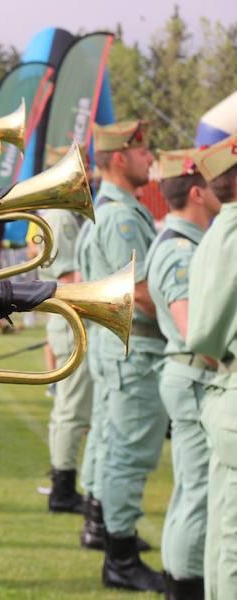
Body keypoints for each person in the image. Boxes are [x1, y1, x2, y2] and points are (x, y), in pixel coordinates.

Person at [79, 120, 165, 592]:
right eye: (143, 151)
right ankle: (120, 554)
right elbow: (139, 291)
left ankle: (106, 531)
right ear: (119, 158)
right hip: (132, 349)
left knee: (117, 446)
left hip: (122, 348)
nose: (150, 158)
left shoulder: (117, 210)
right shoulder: (122, 217)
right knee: (129, 454)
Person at [147, 147, 223, 599]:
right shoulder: (180, 249)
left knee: (191, 490)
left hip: (188, 376)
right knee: (199, 492)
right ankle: (184, 585)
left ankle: (180, 577)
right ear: (197, 193)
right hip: (195, 377)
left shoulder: (186, 242)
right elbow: (192, 327)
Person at [187, 134, 237, 600]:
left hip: (227, 394)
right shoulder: (233, 233)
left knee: (226, 539)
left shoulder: (219, 231)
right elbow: (202, 333)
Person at [37, 202, 92, 514]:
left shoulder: (65, 216)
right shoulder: (61, 217)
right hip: (73, 322)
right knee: (73, 410)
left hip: (70, 321)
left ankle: (63, 481)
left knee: (69, 408)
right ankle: (63, 488)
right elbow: (71, 276)